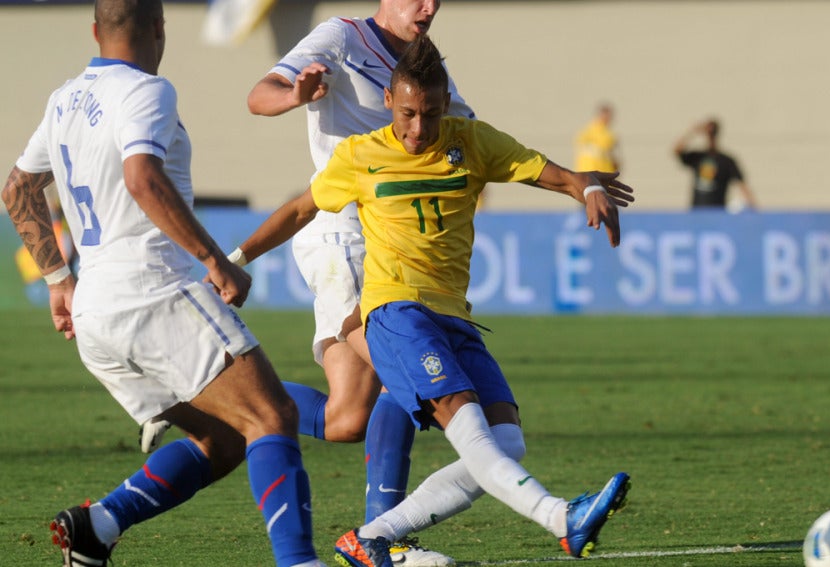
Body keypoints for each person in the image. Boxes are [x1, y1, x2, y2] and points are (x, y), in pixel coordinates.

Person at [229, 35, 634, 567]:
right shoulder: (361, 155)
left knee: (506, 442)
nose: (419, 129)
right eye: (408, 114)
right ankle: (562, 517)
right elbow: (300, 210)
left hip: (455, 318)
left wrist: (585, 187)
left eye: (431, 114)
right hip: (396, 312)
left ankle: (371, 538)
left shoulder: (473, 141)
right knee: (467, 434)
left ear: (446, 106)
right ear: (388, 103)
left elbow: (549, 172)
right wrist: (234, 257)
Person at [1, 1, 324, 566]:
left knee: (224, 438)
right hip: (153, 290)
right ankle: (299, 561)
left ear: (96, 31)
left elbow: (17, 189)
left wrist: (58, 281)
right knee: (272, 417)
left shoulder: (63, 100)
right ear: (159, 28)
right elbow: (141, 177)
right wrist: (213, 259)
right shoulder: (148, 90)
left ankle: (97, 525)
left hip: (97, 310)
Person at [236, 2, 475, 564]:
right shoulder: (341, 38)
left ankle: (207, 398)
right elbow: (259, 94)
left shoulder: (424, 65)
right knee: (404, 367)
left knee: (347, 419)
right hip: (342, 233)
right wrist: (295, 96)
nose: (428, 6)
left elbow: (466, 135)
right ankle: (381, 541)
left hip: (393, 246)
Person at [673, 118, 759, 210]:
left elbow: (742, 185)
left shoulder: (726, 161)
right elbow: (677, 150)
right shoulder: (698, 157)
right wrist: (692, 132)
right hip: (697, 211)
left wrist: (754, 208)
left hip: (717, 212)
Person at [574, 102, 620, 173]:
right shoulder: (588, 131)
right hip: (590, 173)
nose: (607, 119)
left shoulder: (610, 135)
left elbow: (613, 156)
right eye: (605, 116)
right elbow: (584, 149)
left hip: (605, 172)